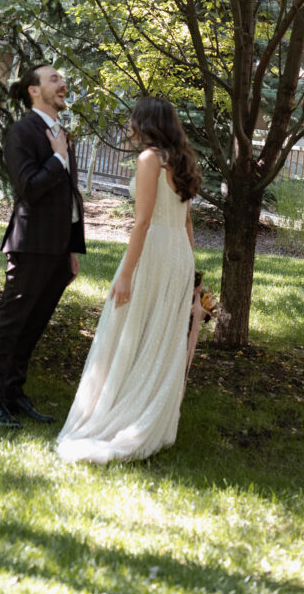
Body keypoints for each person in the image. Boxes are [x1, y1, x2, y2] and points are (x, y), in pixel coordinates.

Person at [56, 96, 201, 463]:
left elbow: (142, 222)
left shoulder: (150, 159)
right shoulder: (182, 160)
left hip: (153, 253)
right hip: (178, 255)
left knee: (131, 326)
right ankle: (147, 408)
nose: (129, 126)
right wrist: (191, 272)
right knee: (159, 332)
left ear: (146, 123)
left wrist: (125, 274)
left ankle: (125, 413)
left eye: (133, 120)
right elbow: (186, 223)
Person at [0, 64, 85, 428]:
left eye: (61, 78)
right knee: (11, 322)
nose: (62, 83)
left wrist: (71, 251)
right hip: (30, 245)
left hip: (58, 250)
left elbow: (67, 199)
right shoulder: (21, 132)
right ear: (33, 91)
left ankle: (13, 392)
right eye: (54, 79)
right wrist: (57, 158)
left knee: (34, 324)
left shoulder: (60, 132)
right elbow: (28, 187)